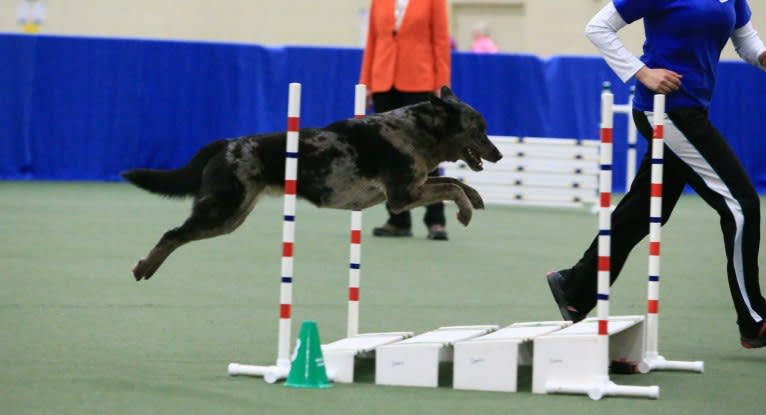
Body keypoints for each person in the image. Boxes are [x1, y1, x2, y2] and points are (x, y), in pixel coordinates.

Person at [547, 0, 766, 349]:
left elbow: (745, 39)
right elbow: (598, 28)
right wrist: (642, 72)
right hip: (667, 113)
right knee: (741, 206)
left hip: (691, 109)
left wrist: (762, 55)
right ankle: (754, 319)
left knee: (643, 212)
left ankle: (574, 287)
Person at [359, 0, 452, 241]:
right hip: (383, 81)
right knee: (389, 154)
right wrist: (366, 81)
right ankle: (397, 218)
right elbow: (372, 40)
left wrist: (441, 84)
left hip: (420, 80)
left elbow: (440, 42)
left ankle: (436, 219)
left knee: (427, 153)